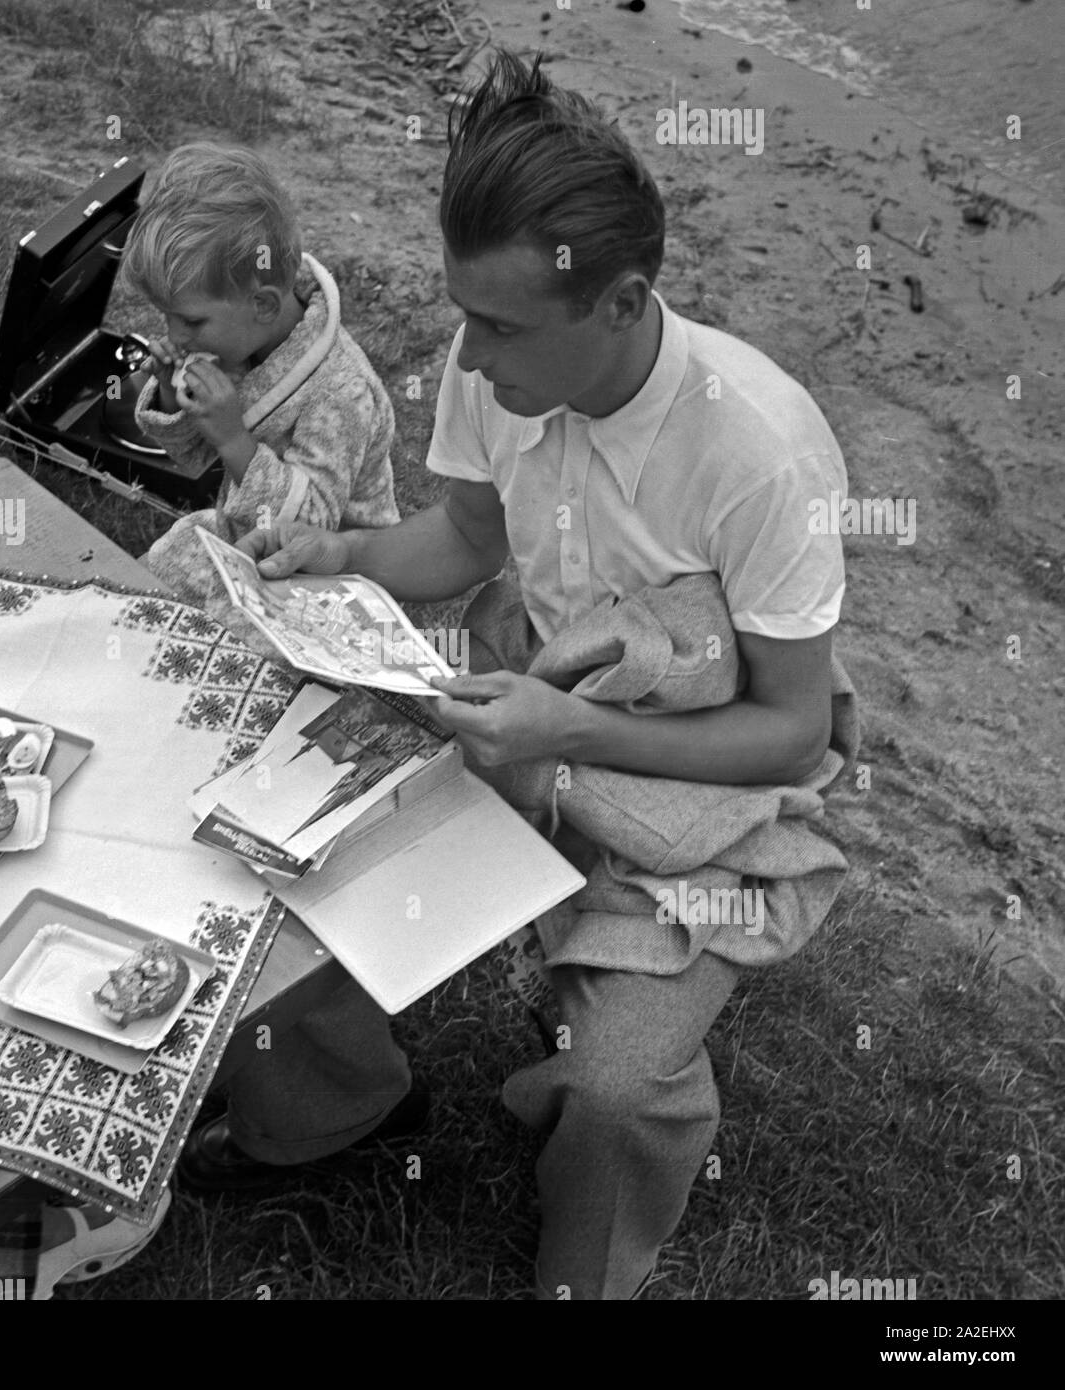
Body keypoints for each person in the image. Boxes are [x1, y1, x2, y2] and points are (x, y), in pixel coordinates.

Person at [176, 49, 856, 1301]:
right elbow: (466, 544)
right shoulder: (495, 363)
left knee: (613, 1090)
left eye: (498, 326)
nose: (468, 358)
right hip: (522, 700)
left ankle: (579, 1274)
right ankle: (335, 1109)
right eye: (463, 315)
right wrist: (329, 550)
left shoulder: (759, 456)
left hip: (700, 811)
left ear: (620, 300)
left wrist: (569, 731)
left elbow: (790, 734)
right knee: (270, 835)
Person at [121, 141, 401, 608]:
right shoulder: (249, 337)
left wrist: (233, 439)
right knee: (141, 587)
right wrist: (175, 398)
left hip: (329, 576)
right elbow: (191, 459)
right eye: (167, 317)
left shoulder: (341, 391)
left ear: (265, 304)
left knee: (230, 636)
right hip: (247, 530)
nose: (174, 334)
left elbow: (314, 524)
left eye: (190, 321)